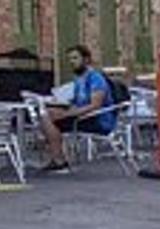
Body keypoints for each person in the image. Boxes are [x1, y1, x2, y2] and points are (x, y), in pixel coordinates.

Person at [36, 44, 116, 174]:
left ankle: (59, 161)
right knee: (47, 114)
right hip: (83, 117)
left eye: (75, 58)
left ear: (86, 59)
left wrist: (67, 114)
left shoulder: (96, 78)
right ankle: (57, 157)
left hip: (98, 120)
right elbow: (77, 102)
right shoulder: (79, 79)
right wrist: (59, 106)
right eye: (70, 59)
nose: (72, 62)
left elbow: (95, 105)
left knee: (47, 119)